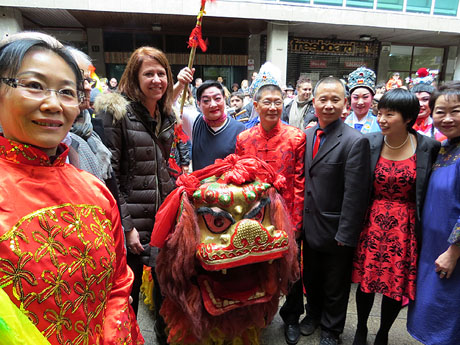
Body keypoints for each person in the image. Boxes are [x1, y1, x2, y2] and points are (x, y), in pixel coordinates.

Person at [0, 37, 141, 344]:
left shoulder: (94, 190)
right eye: (34, 85)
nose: (53, 103)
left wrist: (113, 333)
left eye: (66, 92)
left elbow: (118, 282)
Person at [95, 46, 176, 344]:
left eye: (161, 73)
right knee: (126, 294)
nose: (156, 79)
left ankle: (163, 337)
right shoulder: (117, 113)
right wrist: (127, 227)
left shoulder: (166, 114)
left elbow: (162, 167)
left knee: (164, 288)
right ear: (134, 76)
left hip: (162, 218)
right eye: (148, 73)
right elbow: (109, 175)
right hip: (131, 221)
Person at [351, 89, 440, 345]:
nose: (382, 119)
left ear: (408, 117)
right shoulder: (369, 142)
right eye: (380, 113)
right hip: (372, 222)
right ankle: (361, 328)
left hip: (405, 226)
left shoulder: (427, 147)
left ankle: (383, 333)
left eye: (390, 114)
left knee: (394, 284)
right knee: (366, 282)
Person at [302, 77, 371, 345]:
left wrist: (347, 233)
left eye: (335, 99)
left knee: (335, 284)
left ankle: (332, 328)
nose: (328, 105)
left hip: (336, 228)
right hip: (309, 225)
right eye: (323, 99)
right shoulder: (306, 135)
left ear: (345, 104)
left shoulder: (355, 141)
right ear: (314, 102)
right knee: (312, 277)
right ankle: (313, 315)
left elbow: (356, 194)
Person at [236, 83, 306, 345]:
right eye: (267, 102)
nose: (273, 107)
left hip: (287, 213)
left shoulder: (296, 137)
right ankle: (258, 314)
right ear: (256, 105)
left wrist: (296, 221)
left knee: (292, 269)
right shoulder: (244, 139)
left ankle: (291, 317)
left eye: (278, 102)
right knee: (255, 266)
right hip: (254, 215)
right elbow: (241, 179)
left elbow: (300, 182)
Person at [407, 81, 460, 345]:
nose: (447, 118)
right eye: (440, 111)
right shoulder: (442, 148)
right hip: (432, 249)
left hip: (452, 253)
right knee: (431, 314)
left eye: (456, 111)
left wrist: (454, 251)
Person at [181, 80, 245, 171]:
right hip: (199, 184)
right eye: (206, 101)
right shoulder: (194, 123)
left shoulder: (240, 129)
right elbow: (171, 105)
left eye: (217, 99)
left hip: (229, 184)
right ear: (198, 104)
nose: (213, 105)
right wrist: (180, 83)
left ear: (224, 99)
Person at [345, 66, 381, 133]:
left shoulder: (380, 124)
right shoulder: (343, 122)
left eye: (365, 97)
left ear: (372, 98)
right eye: (356, 97)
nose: (360, 102)